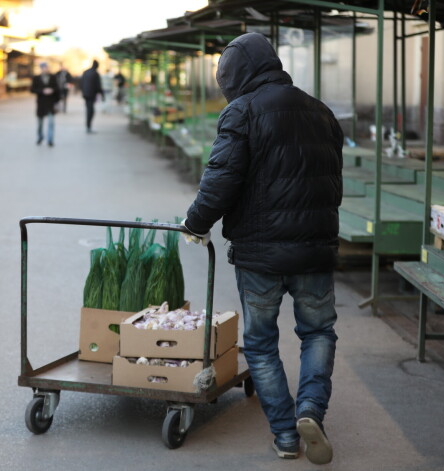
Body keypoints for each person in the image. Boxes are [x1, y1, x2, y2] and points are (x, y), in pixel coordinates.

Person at [181, 33, 343, 465]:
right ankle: (310, 410)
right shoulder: (320, 111)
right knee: (318, 332)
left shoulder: (243, 111)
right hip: (314, 250)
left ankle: (287, 436)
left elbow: (220, 180)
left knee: (260, 343)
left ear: (236, 76)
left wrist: (195, 224)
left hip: (259, 254)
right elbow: (334, 184)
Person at [30, 62, 59, 147]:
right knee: (40, 123)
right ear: (41, 68)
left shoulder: (53, 77)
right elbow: (32, 90)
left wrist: (52, 90)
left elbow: (57, 88)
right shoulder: (36, 78)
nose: (46, 69)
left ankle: (50, 139)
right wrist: (42, 91)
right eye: (44, 67)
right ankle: (40, 136)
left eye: (47, 67)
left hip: (50, 103)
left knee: (51, 123)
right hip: (41, 103)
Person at [80, 60, 104, 133]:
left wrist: (83, 91)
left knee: (89, 110)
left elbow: (81, 83)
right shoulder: (95, 73)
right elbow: (98, 86)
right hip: (91, 95)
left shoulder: (86, 72)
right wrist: (102, 94)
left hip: (86, 94)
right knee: (90, 111)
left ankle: (88, 126)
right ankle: (88, 126)